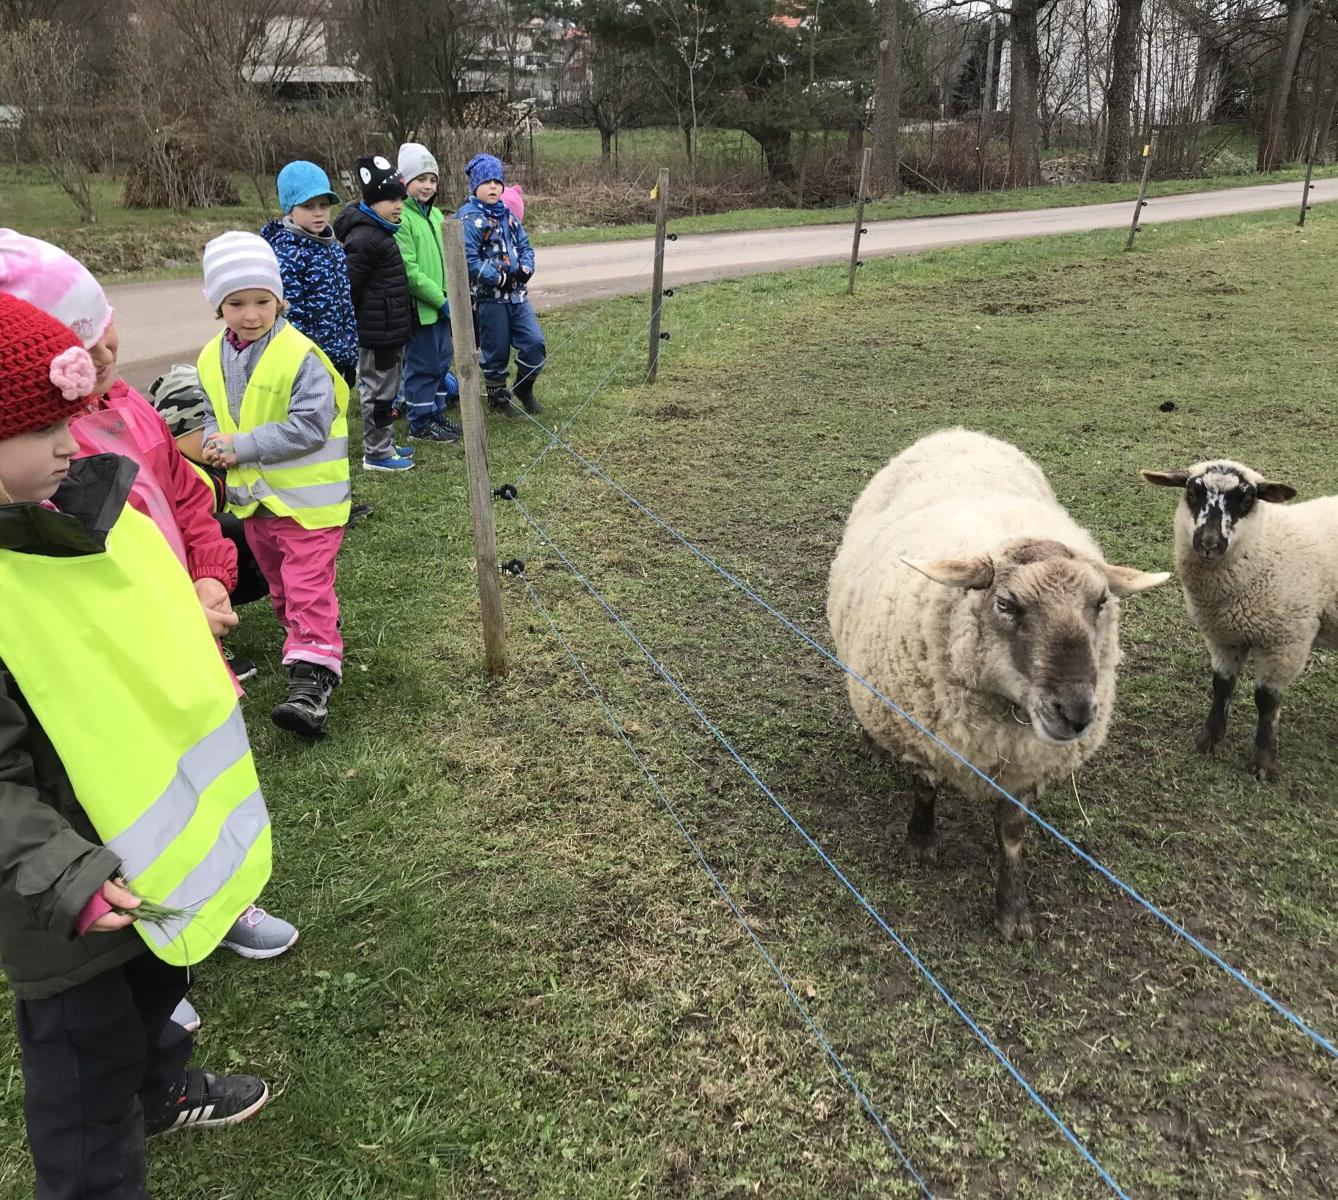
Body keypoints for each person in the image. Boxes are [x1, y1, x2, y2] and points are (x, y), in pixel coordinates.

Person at [0, 292, 272, 1198]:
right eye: (47, 429)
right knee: (83, 1076)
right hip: (62, 900)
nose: (77, 446)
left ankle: (161, 1087)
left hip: (136, 856)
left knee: (157, 990)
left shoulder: (65, 527)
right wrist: (65, 878)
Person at [0, 231, 298, 976]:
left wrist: (207, 579)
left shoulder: (130, 409)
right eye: (83, 347)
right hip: (109, 668)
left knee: (199, 777)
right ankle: (143, 942)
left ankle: (218, 899)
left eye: (108, 340)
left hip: (179, 633)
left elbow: (189, 500)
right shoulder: (44, 463)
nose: (104, 361)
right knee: (130, 799)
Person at [197, 231, 351, 739]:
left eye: (263, 301)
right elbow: (213, 419)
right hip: (258, 507)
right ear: (217, 304)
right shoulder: (209, 358)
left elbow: (311, 424)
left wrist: (241, 446)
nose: (251, 314)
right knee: (284, 588)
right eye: (236, 302)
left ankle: (312, 687)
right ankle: (314, 639)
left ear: (279, 299)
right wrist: (213, 448)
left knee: (306, 585)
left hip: (309, 505)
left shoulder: (299, 355)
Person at [334, 154, 416, 472]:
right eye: (389, 199)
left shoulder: (382, 232)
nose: (397, 205)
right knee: (377, 392)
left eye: (399, 198)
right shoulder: (364, 238)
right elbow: (350, 289)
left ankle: (385, 443)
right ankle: (376, 452)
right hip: (374, 333)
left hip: (389, 330)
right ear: (372, 200)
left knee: (388, 391)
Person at [456, 153, 547, 417]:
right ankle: (498, 399)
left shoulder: (509, 216)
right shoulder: (469, 219)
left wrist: (527, 267)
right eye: (486, 182)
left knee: (535, 342)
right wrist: (498, 277)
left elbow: (525, 246)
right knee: (495, 351)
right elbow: (468, 260)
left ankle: (524, 387)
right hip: (490, 298)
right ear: (475, 186)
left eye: (497, 181)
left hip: (518, 297)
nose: (493, 186)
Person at [259, 160, 359, 384]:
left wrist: (349, 354)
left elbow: (345, 306)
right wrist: (307, 360)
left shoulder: (332, 247)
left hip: (337, 356)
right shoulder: (288, 252)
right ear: (290, 208)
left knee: (335, 416)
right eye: (308, 206)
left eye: (323, 205)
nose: (318, 213)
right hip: (309, 362)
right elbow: (291, 315)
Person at [395, 141, 459, 443]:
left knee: (442, 360)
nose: (428, 185)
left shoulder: (435, 216)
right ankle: (420, 421)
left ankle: (436, 413)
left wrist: (453, 295)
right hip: (422, 309)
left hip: (444, 306)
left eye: (432, 179)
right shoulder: (403, 219)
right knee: (423, 364)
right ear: (405, 182)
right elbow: (410, 272)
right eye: (421, 179)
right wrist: (440, 298)